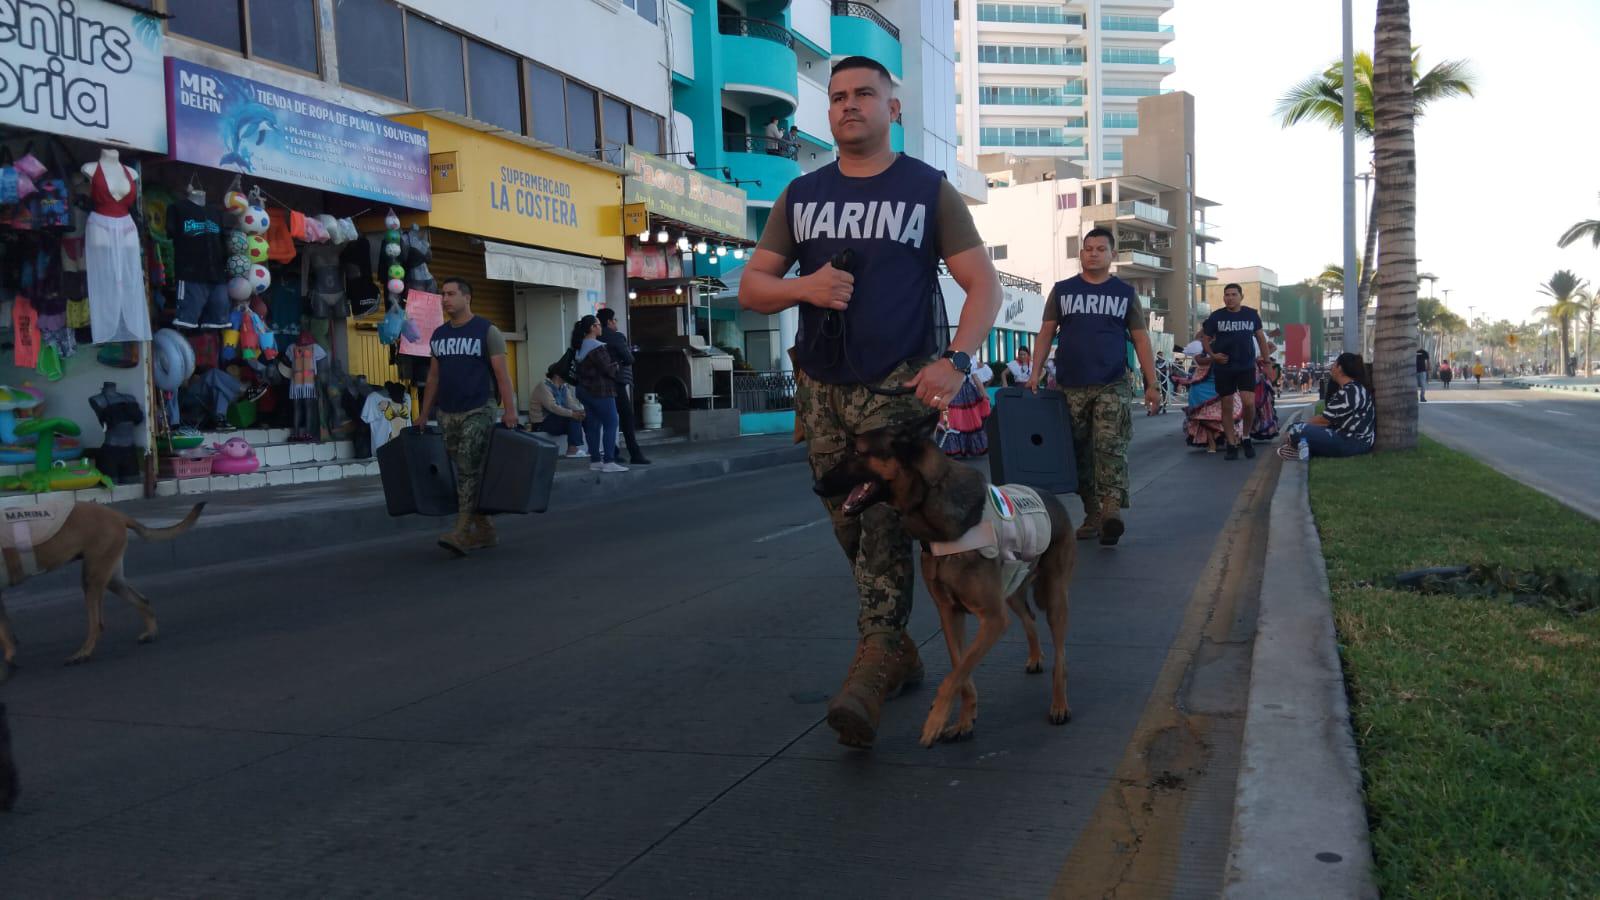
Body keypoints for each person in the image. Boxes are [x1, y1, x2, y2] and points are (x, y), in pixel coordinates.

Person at [737, 55, 1003, 749]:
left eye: (863, 95)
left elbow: (983, 286)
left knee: (884, 519)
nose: (848, 105)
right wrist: (806, 287)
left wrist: (959, 363)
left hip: (900, 387)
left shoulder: (927, 190)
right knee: (847, 514)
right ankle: (900, 646)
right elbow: (753, 287)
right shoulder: (801, 195)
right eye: (837, 97)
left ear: (893, 109)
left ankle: (878, 657)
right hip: (822, 391)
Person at [1026, 227, 1160, 544]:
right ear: (1082, 254)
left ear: (1112, 255)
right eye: (1088, 248)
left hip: (1112, 382)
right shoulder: (1062, 291)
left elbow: (1141, 339)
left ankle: (1111, 510)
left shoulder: (1125, 295)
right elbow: (1045, 333)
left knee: (1110, 447)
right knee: (1078, 454)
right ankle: (1092, 513)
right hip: (1070, 386)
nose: (1094, 253)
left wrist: (1152, 384)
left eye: (1101, 248)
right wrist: (1035, 371)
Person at [415, 277, 518, 556]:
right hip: (448, 412)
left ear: (466, 297)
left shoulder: (487, 330)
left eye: (450, 294)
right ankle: (484, 529)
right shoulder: (439, 335)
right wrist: (424, 413)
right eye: (443, 295)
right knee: (462, 470)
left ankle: (461, 532)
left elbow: (502, 376)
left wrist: (509, 411)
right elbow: (433, 377)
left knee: (469, 468)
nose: (445, 299)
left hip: (479, 409)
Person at [1200, 283, 1274, 460]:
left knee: (1249, 403)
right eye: (1227, 295)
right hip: (1224, 367)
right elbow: (1205, 339)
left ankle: (1246, 436)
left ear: (1241, 296)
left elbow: (1261, 339)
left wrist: (1267, 362)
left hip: (1246, 366)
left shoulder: (1251, 314)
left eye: (1233, 294)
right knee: (1227, 405)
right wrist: (1213, 355)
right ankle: (1231, 443)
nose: (1230, 298)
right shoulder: (1217, 317)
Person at [1279, 352, 1375, 460]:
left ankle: (1301, 448)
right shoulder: (1356, 389)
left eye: (1334, 364)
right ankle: (1304, 448)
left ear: (1340, 368)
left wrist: (1300, 426)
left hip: (1350, 442)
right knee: (1301, 429)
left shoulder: (1348, 392)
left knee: (1295, 429)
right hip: (1358, 442)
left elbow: (1323, 420)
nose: (1331, 367)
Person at [571, 316, 627, 473]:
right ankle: (609, 461)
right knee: (611, 422)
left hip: (584, 390)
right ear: (592, 328)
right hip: (601, 390)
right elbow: (608, 370)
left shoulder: (580, 347)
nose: (600, 327)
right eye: (598, 324)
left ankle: (595, 460)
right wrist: (617, 365)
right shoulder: (597, 347)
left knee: (593, 425)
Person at [596, 307, 651, 465]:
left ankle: (612, 452)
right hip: (616, 383)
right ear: (609, 321)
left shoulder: (594, 338)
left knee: (606, 419)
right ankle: (635, 453)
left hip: (598, 384)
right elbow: (629, 358)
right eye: (615, 320)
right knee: (626, 417)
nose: (616, 323)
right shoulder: (616, 337)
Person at [528, 364, 586, 457]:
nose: (569, 375)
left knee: (585, 417)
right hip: (542, 423)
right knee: (573, 418)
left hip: (557, 420)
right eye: (567, 373)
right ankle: (572, 450)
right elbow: (552, 407)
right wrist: (572, 414)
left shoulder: (564, 386)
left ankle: (593, 447)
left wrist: (582, 411)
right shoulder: (543, 386)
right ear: (557, 374)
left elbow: (570, 403)